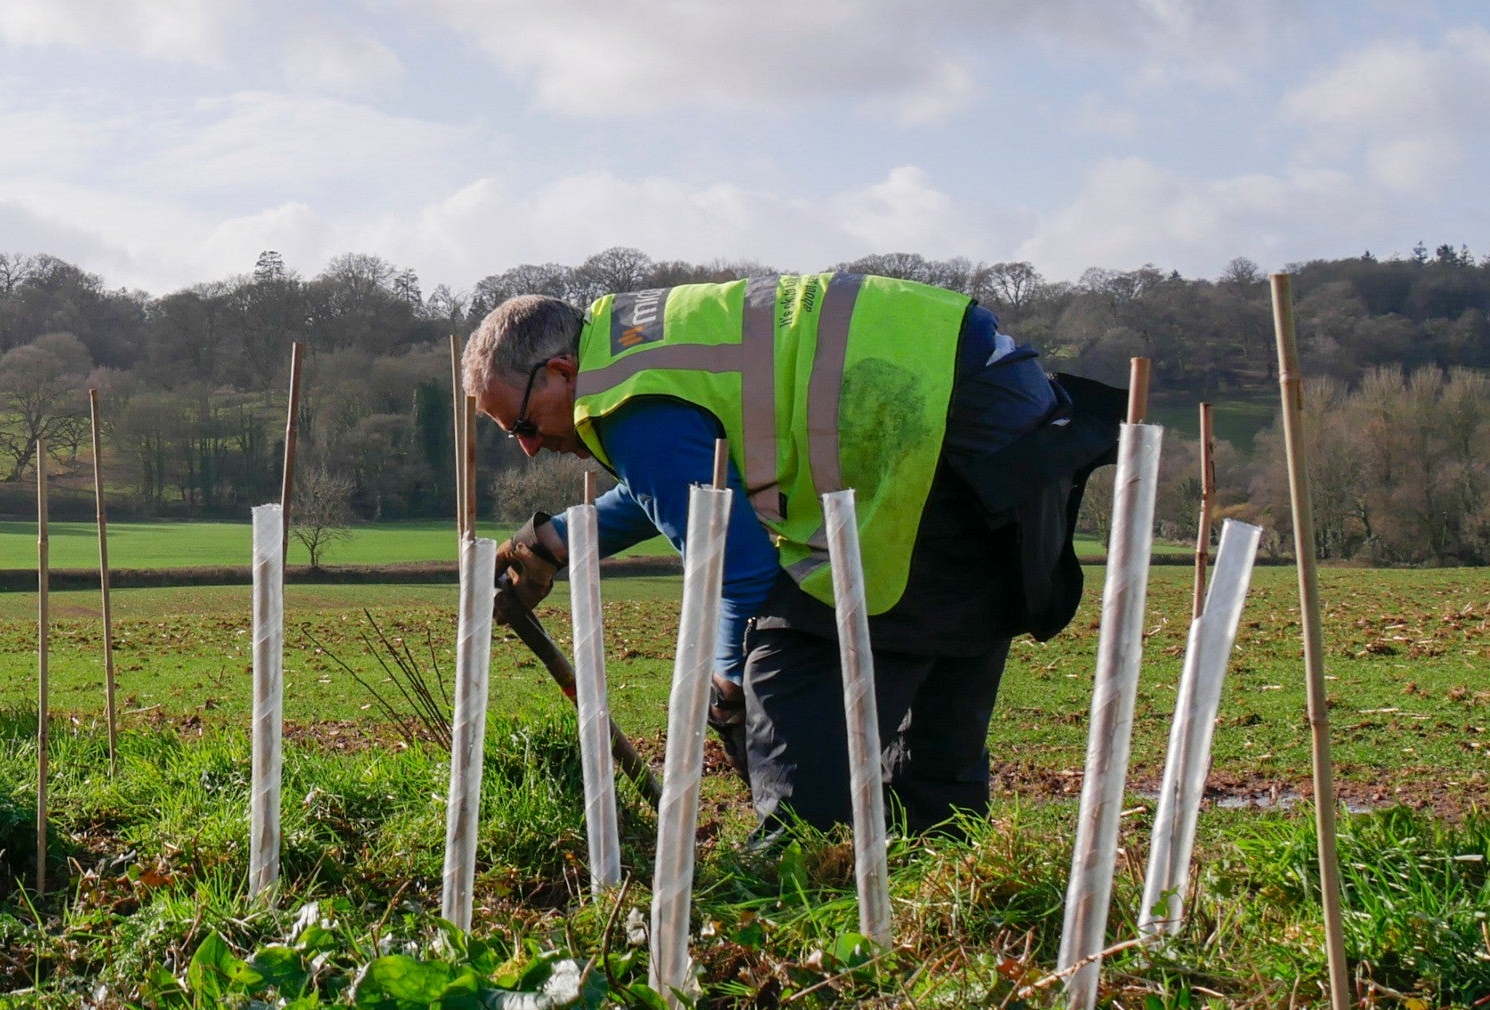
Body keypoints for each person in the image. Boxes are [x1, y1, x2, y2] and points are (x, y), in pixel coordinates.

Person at [463, 275, 1119, 837]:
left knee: (784, 666)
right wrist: (555, 542)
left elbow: (740, 569)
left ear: (560, 372)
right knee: (937, 721)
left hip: (937, 446)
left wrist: (728, 685)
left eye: (521, 425)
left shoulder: (629, 405)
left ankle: (803, 868)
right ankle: (936, 884)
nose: (529, 447)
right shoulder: (633, 349)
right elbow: (694, 485)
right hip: (1000, 424)